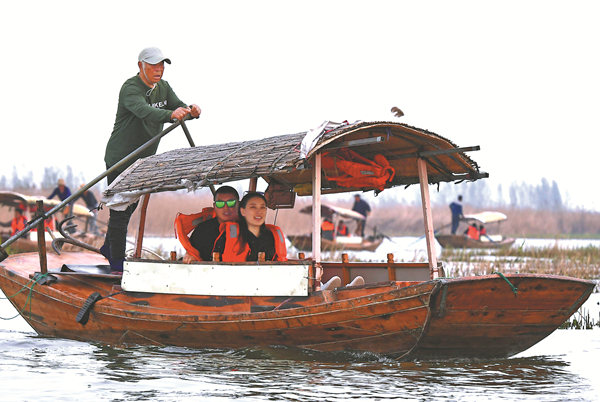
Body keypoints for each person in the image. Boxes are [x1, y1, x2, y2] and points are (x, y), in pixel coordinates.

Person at [101, 47, 201, 272]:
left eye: (162, 66)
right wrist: (170, 115)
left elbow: (177, 106)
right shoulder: (130, 88)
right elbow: (144, 111)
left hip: (144, 161)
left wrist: (191, 111)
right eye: (154, 66)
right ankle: (117, 265)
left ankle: (108, 248)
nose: (159, 70)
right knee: (120, 209)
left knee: (128, 209)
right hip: (121, 159)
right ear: (140, 66)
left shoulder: (163, 88)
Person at [213, 192, 287, 262]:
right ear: (243, 211)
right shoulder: (228, 235)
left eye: (262, 207)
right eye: (253, 207)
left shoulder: (271, 236)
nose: (259, 212)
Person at [183, 186, 240, 263]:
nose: (226, 207)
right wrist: (190, 256)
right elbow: (192, 253)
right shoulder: (202, 230)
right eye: (220, 204)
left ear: (238, 204)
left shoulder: (248, 229)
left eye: (231, 203)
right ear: (214, 206)